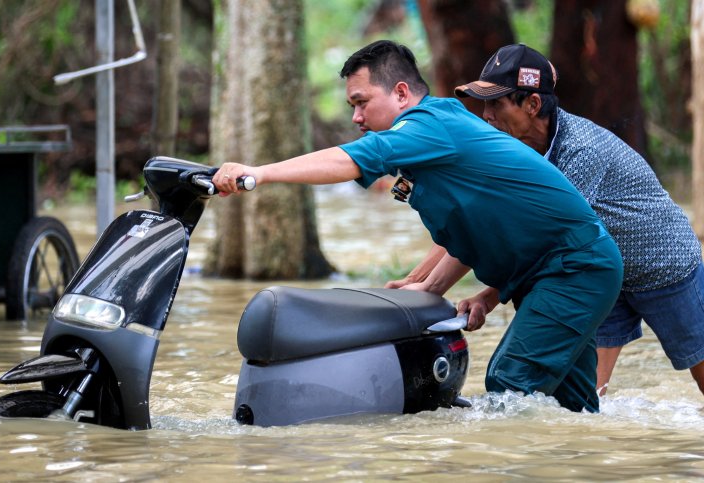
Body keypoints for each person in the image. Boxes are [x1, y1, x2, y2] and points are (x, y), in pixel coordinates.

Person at [213, 40, 623, 413]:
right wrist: (426, 289)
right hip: (557, 271)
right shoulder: (433, 141)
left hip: (574, 269)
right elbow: (470, 234)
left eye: (361, 102)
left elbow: (350, 159)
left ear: (401, 94)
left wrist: (260, 173)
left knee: (508, 384)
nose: (356, 116)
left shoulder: (429, 126)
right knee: (573, 409)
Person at [392, 44, 704, 409]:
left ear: (532, 105)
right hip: (600, 274)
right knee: (584, 400)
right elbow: (478, 222)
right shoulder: (515, 152)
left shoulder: (580, 152)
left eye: (497, 104)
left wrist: (486, 297)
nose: (486, 116)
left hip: (663, 266)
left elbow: (531, 237)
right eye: (484, 105)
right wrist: (416, 284)